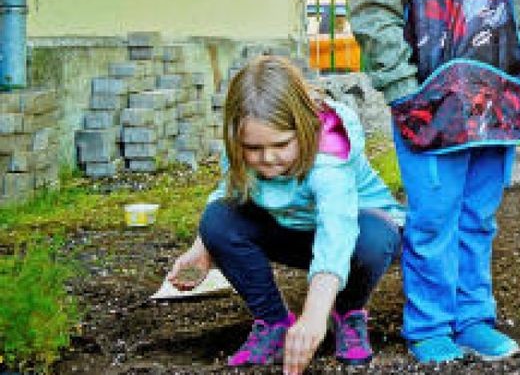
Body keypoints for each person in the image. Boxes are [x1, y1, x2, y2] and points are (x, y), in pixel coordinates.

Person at [349, 0, 520, 363]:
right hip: (425, 101)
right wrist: (403, 89)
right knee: (433, 218)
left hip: (493, 96)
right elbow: (374, 14)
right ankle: (429, 324)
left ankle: (473, 317)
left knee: (479, 216)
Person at [167, 56, 404, 374]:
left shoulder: (329, 155)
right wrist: (201, 249)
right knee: (217, 219)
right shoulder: (242, 146)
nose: (267, 158)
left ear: (304, 128)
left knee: (373, 238)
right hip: (294, 232)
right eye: (253, 149)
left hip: (354, 236)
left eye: (281, 144)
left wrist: (315, 315)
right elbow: (230, 192)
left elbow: (337, 229)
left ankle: (347, 313)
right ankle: (274, 323)